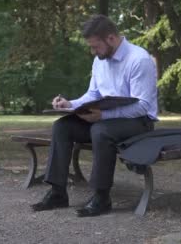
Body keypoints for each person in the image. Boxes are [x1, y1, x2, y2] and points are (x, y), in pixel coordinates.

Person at [31, 14, 158, 217]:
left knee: (100, 130)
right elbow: (93, 94)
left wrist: (103, 116)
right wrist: (70, 104)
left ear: (111, 38)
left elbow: (143, 106)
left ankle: (101, 197)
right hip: (106, 119)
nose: (93, 51)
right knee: (62, 126)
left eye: (95, 46)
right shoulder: (100, 60)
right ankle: (57, 192)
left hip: (139, 122)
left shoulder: (139, 59)